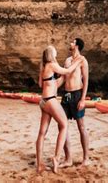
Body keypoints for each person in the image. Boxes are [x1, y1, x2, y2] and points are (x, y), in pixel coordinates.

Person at [36, 45, 83, 174]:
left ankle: (39, 164)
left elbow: (46, 84)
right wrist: (77, 63)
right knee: (64, 125)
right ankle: (56, 158)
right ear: (51, 53)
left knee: (41, 133)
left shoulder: (44, 67)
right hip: (50, 100)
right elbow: (67, 72)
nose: (56, 50)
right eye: (54, 49)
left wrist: (61, 77)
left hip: (43, 101)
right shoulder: (51, 64)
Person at [61, 38, 90, 167]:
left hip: (77, 94)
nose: (70, 44)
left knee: (81, 126)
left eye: (72, 42)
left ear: (77, 45)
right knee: (63, 126)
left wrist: (83, 99)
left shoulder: (83, 61)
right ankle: (68, 159)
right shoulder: (67, 60)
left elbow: (86, 81)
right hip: (66, 94)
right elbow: (63, 78)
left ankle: (86, 158)